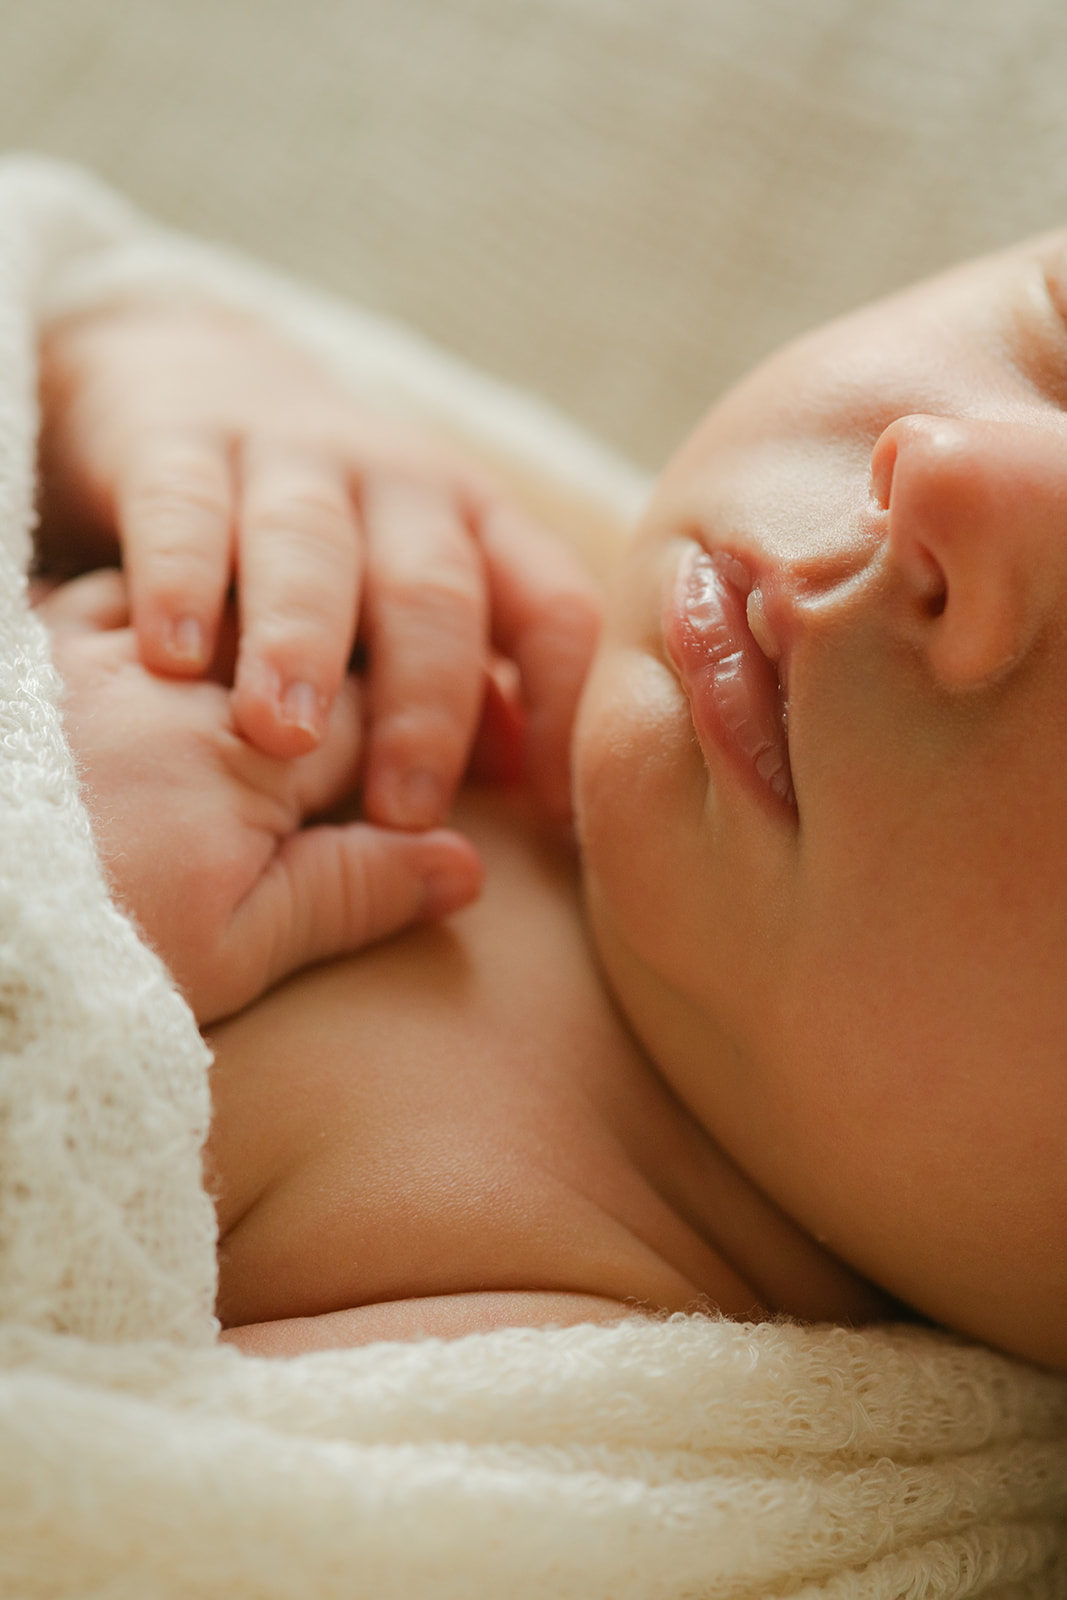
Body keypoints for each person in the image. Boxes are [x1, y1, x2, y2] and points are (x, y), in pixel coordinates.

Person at [35, 224, 1067, 1372]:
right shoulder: (437, 542)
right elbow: (46, 260)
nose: (945, 468)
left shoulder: (554, 1400)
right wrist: (139, 365)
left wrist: (46, 933)